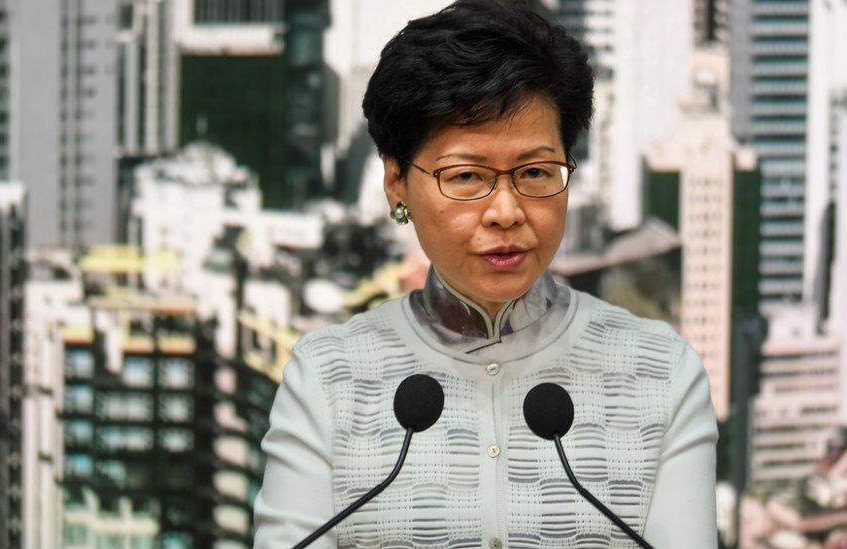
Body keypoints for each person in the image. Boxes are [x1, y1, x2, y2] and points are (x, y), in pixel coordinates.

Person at [253, 0, 718, 547]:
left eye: (536, 172)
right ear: (397, 181)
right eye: (468, 175)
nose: (506, 211)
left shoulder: (661, 375)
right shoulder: (327, 379)